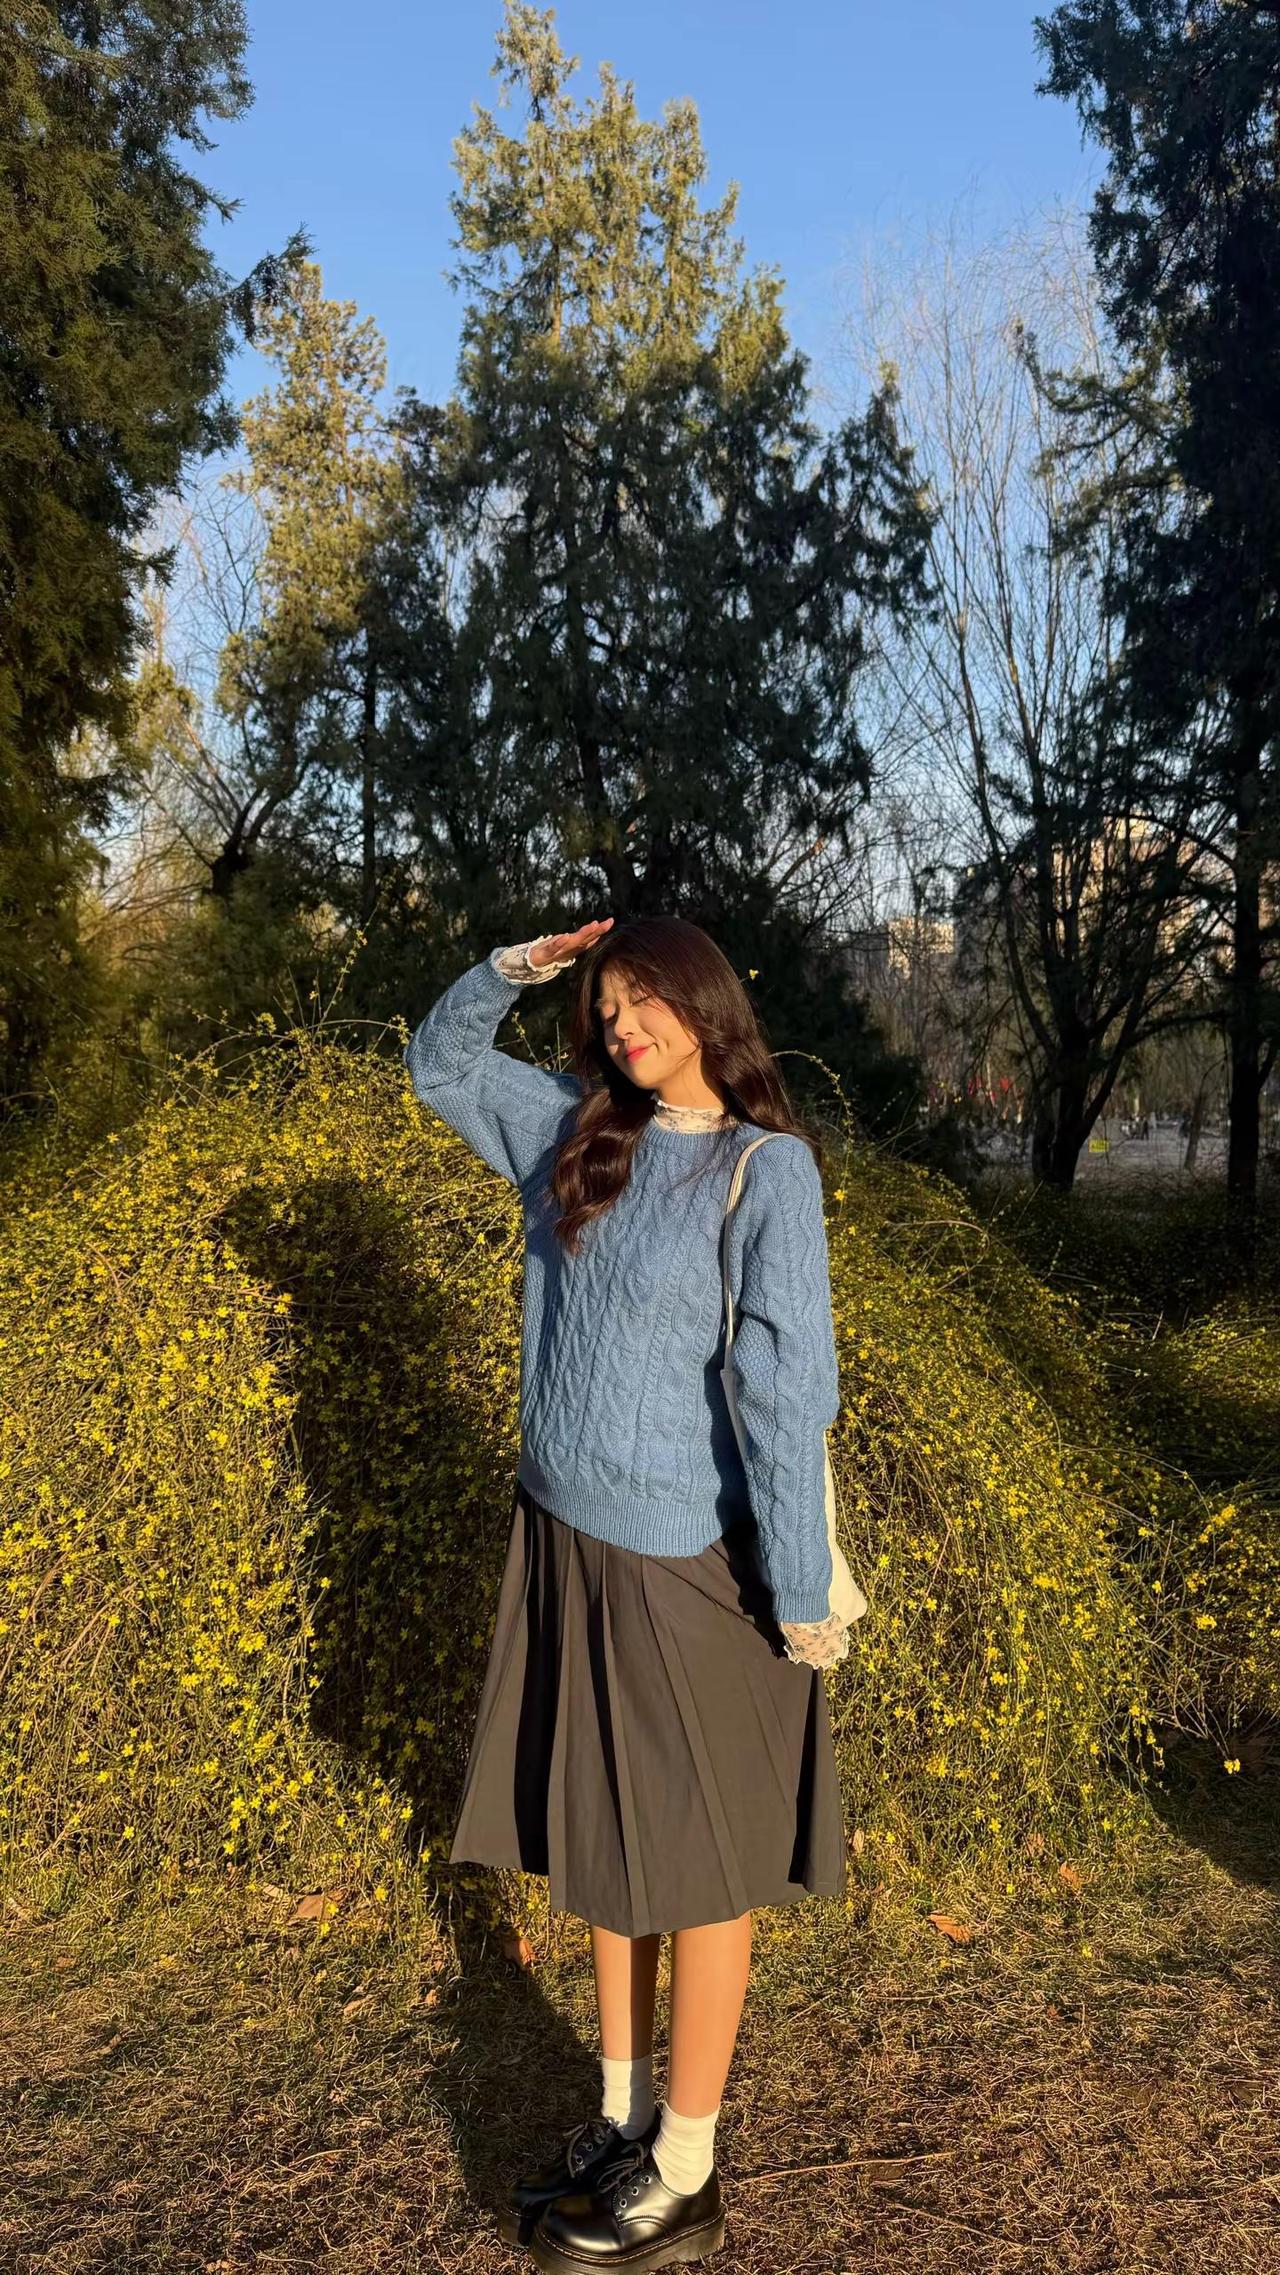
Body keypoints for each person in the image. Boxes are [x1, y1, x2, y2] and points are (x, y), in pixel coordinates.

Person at [402, 913, 852, 2274]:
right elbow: (438, 1068)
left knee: (699, 1872)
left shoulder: (764, 1171)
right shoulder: (570, 1131)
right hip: (562, 1535)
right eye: (605, 1008)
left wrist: (798, 1586)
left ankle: (688, 2170)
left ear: (706, 1002)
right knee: (609, 1850)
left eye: (644, 998)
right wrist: (513, 971)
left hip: (681, 1568)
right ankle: (621, 2119)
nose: (623, 1025)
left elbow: (784, 1390)